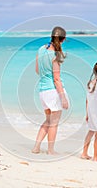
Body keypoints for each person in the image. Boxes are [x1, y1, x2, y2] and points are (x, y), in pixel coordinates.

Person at [32, 26, 69, 155]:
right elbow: (57, 80)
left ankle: (36, 147)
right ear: (63, 39)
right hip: (53, 92)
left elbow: (37, 70)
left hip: (42, 91)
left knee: (48, 121)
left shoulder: (41, 49)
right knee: (54, 123)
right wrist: (63, 97)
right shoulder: (55, 55)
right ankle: (50, 150)